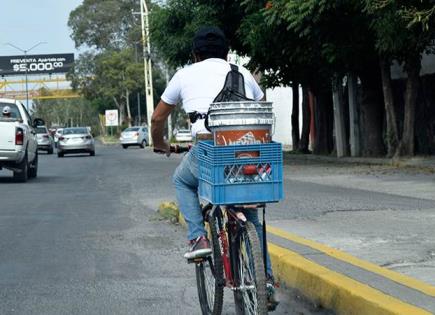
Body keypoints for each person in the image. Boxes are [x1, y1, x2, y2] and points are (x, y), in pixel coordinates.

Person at [151, 26, 278, 307]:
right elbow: (261, 106)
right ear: (226, 52)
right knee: (250, 214)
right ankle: (266, 282)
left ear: (195, 54)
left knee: (182, 181)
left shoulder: (184, 74)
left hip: (208, 148)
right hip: (245, 149)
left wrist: (160, 143)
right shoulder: (240, 72)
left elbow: (158, 118)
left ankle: (198, 238)